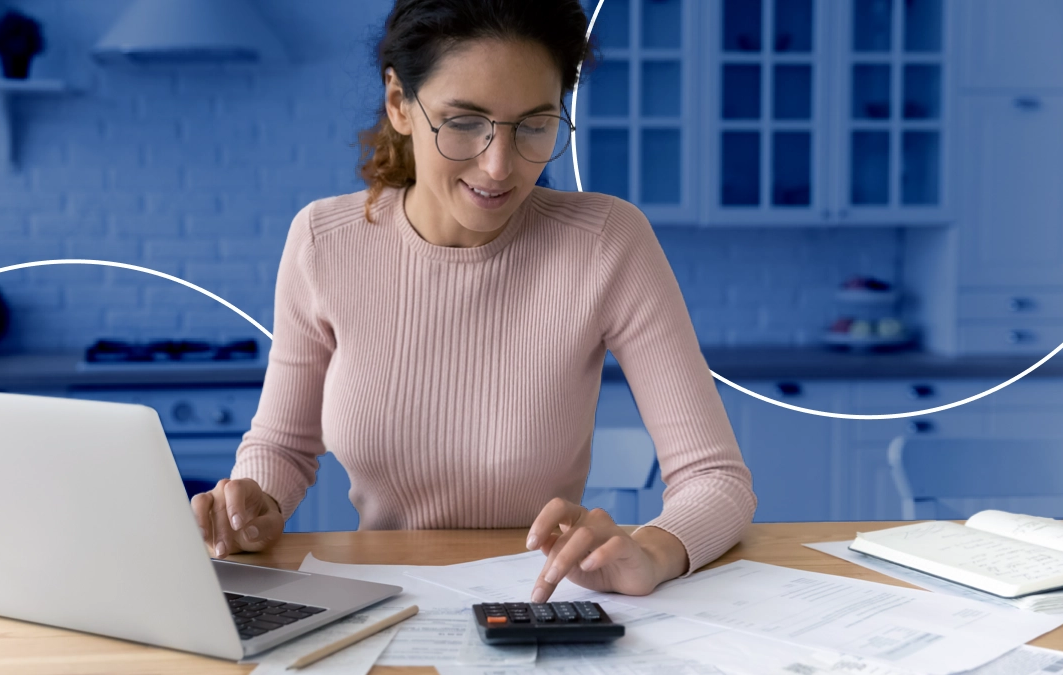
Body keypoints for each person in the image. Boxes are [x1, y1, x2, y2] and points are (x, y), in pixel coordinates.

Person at [193, 0, 756, 603]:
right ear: (399, 103)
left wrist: (655, 550)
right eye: (464, 122)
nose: (498, 167)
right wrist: (254, 501)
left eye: (535, 125)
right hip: (380, 604)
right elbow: (282, 446)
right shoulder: (324, 242)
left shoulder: (606, 243)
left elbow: (714, 479)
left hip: (542, 602)